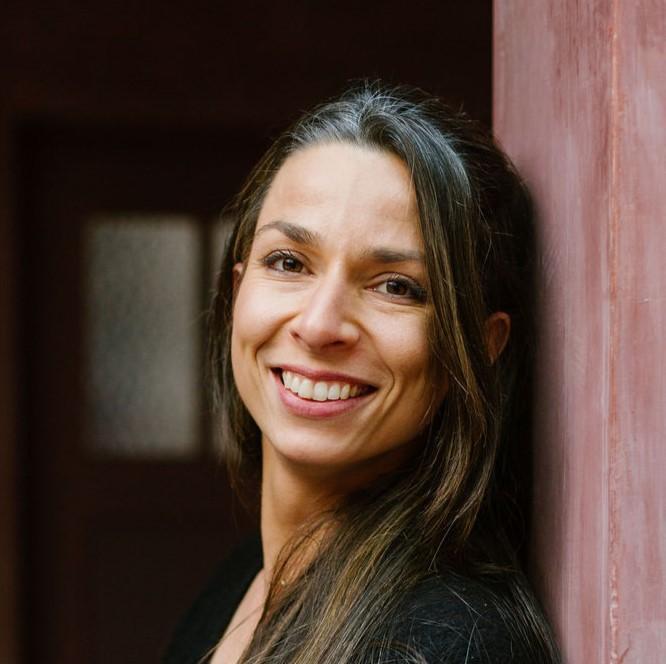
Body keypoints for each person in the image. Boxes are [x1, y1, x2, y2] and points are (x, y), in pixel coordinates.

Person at [164, 83, 561, 663]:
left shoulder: (446, 642)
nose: (319, 325)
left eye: (395, 286)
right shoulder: (237, 584)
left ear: (480, 346)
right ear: (237, 289)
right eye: (288, 262)